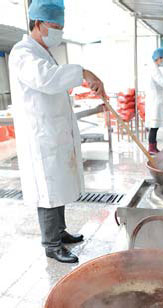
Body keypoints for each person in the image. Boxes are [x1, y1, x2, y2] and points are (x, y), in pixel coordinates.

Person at [9, 0, 107, 264]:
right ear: (38, 24)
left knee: (59, 184)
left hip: (53, 133)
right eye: (55, 26)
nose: (59, 32)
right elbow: (47, 79)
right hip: (41, 137)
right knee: (48, 189)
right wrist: (84, 72)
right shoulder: (23, 53)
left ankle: (60, 232)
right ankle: (51, 244)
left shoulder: (42, 51)